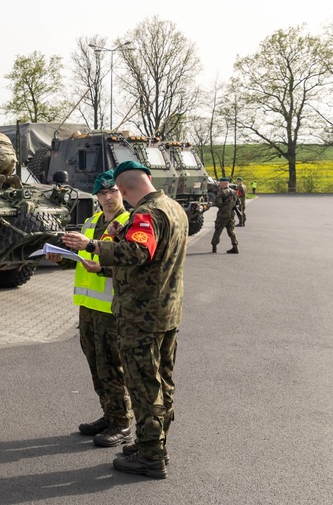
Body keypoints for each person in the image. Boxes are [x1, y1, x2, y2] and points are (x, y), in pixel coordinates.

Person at [79, 160, 188, 479]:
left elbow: (137, 254)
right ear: (149, 178)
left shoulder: (146, 213)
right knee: (163, 381)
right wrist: (118, 233)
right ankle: (153, 444)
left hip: (141, 316)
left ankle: (151, 456)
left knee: (144, 387)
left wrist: (92, 245)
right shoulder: (173, 208)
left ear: (123, 190)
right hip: (166, 312)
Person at [53, 170, 132, 448]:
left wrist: (102, 268)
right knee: (97, 366)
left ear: (122, 192)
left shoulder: (129, 222)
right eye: (102, 193)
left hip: (112, 309)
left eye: (113, 191)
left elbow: (130, 263)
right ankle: (109, 414)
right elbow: (81, 258)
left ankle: (122, 422)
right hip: (87, 307)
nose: (108, 197)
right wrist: (60, 256)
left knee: (112, 365)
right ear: (96, 196)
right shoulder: (92, 222)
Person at [210, 177, 239, 254]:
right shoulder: (234, 192)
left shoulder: (222, 192)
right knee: (231, 231)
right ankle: (235, 246)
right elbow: (237, 202)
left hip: (222, 215)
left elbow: (217, 203)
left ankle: (214, 247)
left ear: (223, 183)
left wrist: (224, 206)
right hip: (231, 214)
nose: (219, 184)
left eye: (220, 183)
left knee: (218, 230)